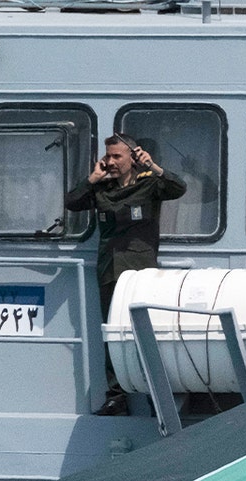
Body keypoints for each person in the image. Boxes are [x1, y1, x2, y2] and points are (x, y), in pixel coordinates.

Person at [65, 134, 187, 416]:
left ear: (133, 156)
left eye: (117, 156)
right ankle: (116, 396)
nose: (110, 162)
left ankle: (154, 391)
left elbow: (179, 188)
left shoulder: (150, 184)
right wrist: (92, 179)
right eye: (108, 156)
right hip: (110, 269)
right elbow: (72, 202)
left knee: (145, 332)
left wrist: (154, 167)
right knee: (112, 332)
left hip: (142, 270)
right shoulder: (102, 189)